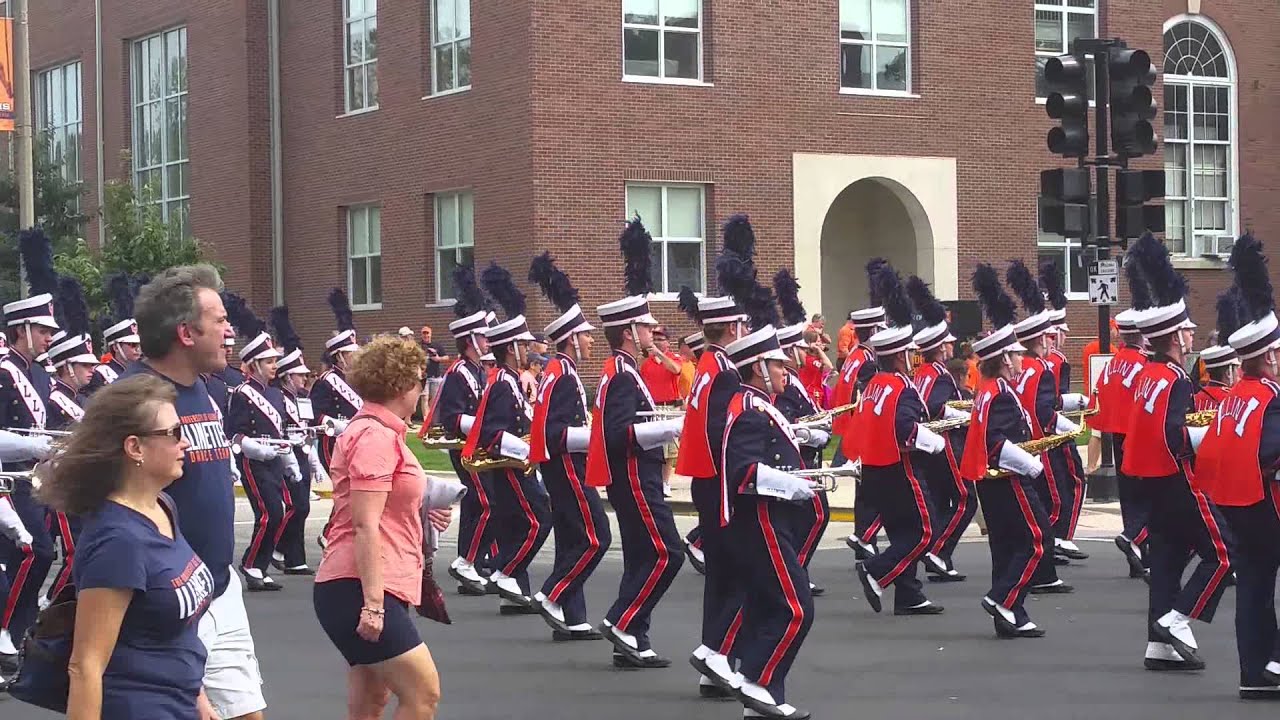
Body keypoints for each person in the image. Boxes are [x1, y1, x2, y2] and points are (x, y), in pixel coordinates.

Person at [125, 264, 267, 720]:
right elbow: (116, 511)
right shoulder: (134, 401)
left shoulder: (207, 390)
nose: (230, 332)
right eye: (221, 321)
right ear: (186, 333)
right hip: (169, 602)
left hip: (220, 589)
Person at [42, 375, 217, 719]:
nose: (186, 444)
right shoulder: (118, 540)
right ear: (134, 447)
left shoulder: (163, 505)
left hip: (181, 703)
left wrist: (199, 699)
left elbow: (173, 632)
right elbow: (85, 666)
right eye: (173, 434)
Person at [313, 336, 446, 720]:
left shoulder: (379, 432)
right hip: (360, 585)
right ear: (402, 385)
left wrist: (422, 512)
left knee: (370, 702)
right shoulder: (374, 436)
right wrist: (373, 605)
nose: (421, 390)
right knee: (423, 693)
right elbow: (364, 524)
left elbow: (381, 508)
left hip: (365, 581)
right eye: (421, 381)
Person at [1122, 232, 1232, 672]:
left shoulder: (1150, 374)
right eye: (1185, 329)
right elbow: (1173, 437)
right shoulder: (1175, 379)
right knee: (1223, 553)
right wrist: (1210, 438)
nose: (1191, 333)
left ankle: (1157, 644)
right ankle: (1176, 619)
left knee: (1167, 558)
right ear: (1174, 338)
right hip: (1177, 477)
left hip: (1151, 481)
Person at [588, 218, 684, 669]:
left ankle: (633, 639)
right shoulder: (623, 374)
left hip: (636, 477)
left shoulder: (623, 371)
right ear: (629, 332)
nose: (653, 332)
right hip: (634, 477)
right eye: (646, 327)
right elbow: (620, 433)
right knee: (668, 553)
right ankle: (624, 621)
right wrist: (673, 428)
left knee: (643, 556)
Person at [1196, 234, 1280, 698]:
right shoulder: (1269, 398)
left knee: (1253, 585)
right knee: (1256, 583)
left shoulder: (1232, 398)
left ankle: (1257, 670)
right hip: (1266, 505)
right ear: (1268, 355)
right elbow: (1270, 454)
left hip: (1237, 505)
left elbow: (1213, 451)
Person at [721, 323, 817, 720]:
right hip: (761, 520)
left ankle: (763, 697)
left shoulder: (755, 406)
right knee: (796, 608)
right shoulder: (749, 409)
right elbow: (743, 472)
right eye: (778, 363)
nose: (785, 370)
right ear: (759, 366)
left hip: (768, 519)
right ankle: (758, 683)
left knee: (766, 607)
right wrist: (793, 483)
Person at [677, 217, 752, 694]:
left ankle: (718, 663)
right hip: (722, 481)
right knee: (742, 571)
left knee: (723, 577)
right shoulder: (723, 370)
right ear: (730, 328)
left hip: (709, 479)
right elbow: (723, 430)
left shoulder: (709, 364)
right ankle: (719, 654)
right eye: (742, 322)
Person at [848, 264, 946, 616]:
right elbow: (906, 430)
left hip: (876, 470)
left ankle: (909, 593)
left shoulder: (876, 384)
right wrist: (934, 441)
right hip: (900, 468)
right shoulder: (901, 386)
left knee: (901, 529)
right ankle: (877, 571)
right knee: (924, 531)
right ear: (902, 355)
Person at [528, 252, 611, 641]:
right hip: (567, 467)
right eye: (587, 335)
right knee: (597, 536)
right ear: (572, 339)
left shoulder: (559, 370)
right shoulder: (561, 374)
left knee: (571, 539)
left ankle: (572, 616)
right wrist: (598, 436)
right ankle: (553, 594)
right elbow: (556, 433)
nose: (592, 341)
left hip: (563, 466)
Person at [963, 265, 1049, 638]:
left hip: (996, 481)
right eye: (1014, 355)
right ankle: (1003, 598)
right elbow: (997, 444)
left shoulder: (992, 389)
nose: (1020, 360)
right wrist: (1031, 464)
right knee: (1036, 540)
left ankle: (1012, 613)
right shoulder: (997, 392)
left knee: (1006, 546)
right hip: (1009, 479)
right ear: (1002, 359)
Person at [462, 262, 551, 615]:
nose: (529, 349)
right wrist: (530, 449)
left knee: (517, 526)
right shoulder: (502, 382)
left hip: (519, 465)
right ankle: (505, 571)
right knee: (537, 520)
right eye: (524, 344)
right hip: (513, 465)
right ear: (511, 348)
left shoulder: (509, 379)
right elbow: (494, 434)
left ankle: (512, 591)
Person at [1005, 260, 1077, 594]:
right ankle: (1040, 567)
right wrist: (1063, 428)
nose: (1052, 340)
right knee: (1053, 504)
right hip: (1040, 445)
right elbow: (1043, 410)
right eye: (1047, 336)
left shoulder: (1024, 368)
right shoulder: (1043, 369)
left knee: (1045, 505)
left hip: (1023, 442)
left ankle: (1043, 569)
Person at [428, 266, 495, 595]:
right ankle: (466, 561)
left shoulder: (480, 371)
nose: (488, 341)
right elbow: (453, 418)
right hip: (466, 448)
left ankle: (479, 560)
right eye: (483, 337)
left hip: (481, 447)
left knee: (482, 503)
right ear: (471, 340)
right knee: (485, 502)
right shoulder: (458, 373)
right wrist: (487, 427)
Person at [224, 306, 301, 593]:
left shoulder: (276, 394)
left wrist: (290, 457)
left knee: (282, 511)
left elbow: (282, 431)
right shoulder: (243, 392)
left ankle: (261, 564)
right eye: (268, 361)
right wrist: (253, 448)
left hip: (276, 459)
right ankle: (252, 563)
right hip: (254, 460)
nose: (274, 366)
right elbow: (234, 432)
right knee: (270, 512)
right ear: (254, 364)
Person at [0, 291, 59, 666]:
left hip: (31, 481)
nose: (48, 337)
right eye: (41, 330)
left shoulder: (39, 373)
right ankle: (6, 631)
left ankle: (15, 633)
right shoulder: (5, 372)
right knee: (31, 552)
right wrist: (35, 448)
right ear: (21, 329)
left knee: (36, 554)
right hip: (6, 481)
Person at [907, 275, 973, 581]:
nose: (951, 346)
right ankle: (938, 551)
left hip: (930, 445)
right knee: (964, 500)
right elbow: (935, 408)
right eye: (947, 342)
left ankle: (936, 552)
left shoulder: (923, 372)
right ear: (939, 347)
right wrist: (963, 414)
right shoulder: (941, 375)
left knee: (940, 501)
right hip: (944, 444)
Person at [773, 268, 832, 598]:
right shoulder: (784, 382)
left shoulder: (792, 379)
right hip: (798, 457)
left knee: (809, 518)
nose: (805, 353)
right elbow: (785, 425)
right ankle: (793, 571)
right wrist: (814, 432)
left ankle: (795, 571)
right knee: (816, 515)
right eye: (799, 349)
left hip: (807, 456)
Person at [837, 266, 891, 558]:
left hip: (853, 429)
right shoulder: (865, 360)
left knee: (866, 490)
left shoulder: (858, 356)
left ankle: (864, 537)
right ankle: (864, 537)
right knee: (874, 489)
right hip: (863, 430)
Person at [41, 329, 99, 603]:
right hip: (62, 484)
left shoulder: (81, 400)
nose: (92, 370)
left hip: (83, 483)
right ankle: (52, 603)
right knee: (74, 552)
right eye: (85, 365)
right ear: (66, 367)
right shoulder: (53, 400)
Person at [269, 313, 319, 576]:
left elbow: (306, 424)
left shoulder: (302, 397)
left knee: (303, 505)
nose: (304, 378)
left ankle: (288, 554)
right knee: (296, 505)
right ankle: (286, 553)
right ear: (287, 376)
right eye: (299, 375)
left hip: (303, 451)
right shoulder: (279, 396)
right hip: (288, 453)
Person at [312, 290, 365, 476]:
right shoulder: (326, 382)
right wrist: (336, 425)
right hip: (334, 443)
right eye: (351, 354)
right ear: (340, 356)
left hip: (358, 442)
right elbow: (315, 415)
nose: (356, 357)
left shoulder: (358, 379)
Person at [80, 277, 142, 398]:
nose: (137, 349)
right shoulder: (99, 375)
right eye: (132, 345)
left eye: (138, 345)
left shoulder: (140, 370)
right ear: (116, 347)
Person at [639, 326, 682, 492]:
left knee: (670, 449)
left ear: (668, 343)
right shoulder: (645, 362)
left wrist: (659, 354)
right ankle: (654, 480)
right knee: (653, 446)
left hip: (669, 406)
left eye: (660, 339)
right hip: (652, 407)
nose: (656, 342)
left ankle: (665, 482)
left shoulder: (673, 358)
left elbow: (676, 370)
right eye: (654, 339)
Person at [418, 326, 450, 418]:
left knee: (434, 399)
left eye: (427, 333)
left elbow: (446, 357)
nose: (426, 335)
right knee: (424, 397)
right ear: (421, 335)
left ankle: (431, 418)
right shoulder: (418, 346)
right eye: (424, 333)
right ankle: (426, 419)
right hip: (424, 376)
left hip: (435, 376)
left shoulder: (437, 345)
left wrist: (438, 358)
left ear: (430, 334)